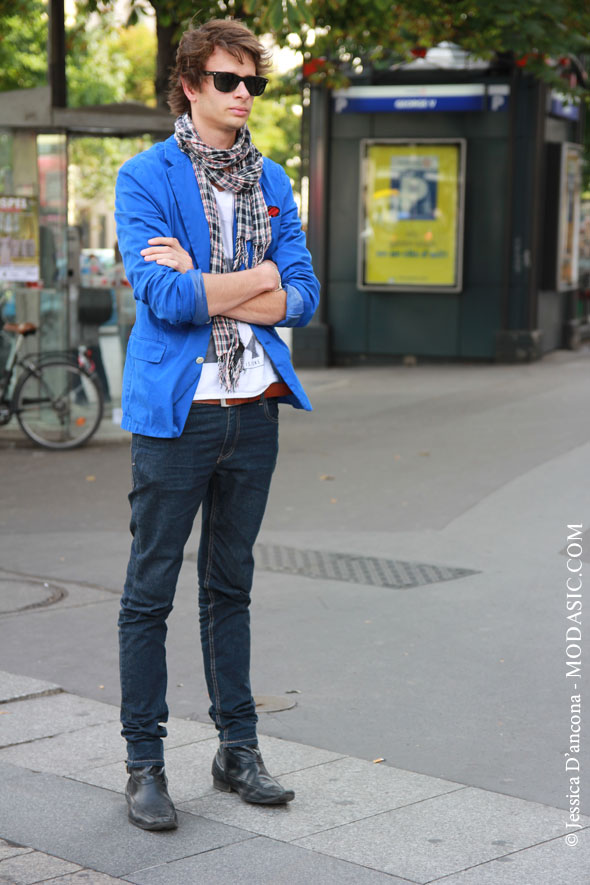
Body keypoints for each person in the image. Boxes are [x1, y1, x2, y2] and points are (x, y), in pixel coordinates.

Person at [114, 18, 319, 831]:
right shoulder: (145, 177)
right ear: (191, 84)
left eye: (252, 83)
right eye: (228, 81)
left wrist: (218, 279)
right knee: (149, 592)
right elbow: (163, 300)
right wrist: (252, 278)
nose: (243, 97)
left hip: (253, 410)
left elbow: (300, 294)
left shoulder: (270, 179)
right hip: (177, 416)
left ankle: (238, 747)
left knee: (229, 586)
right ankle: (144, 762)